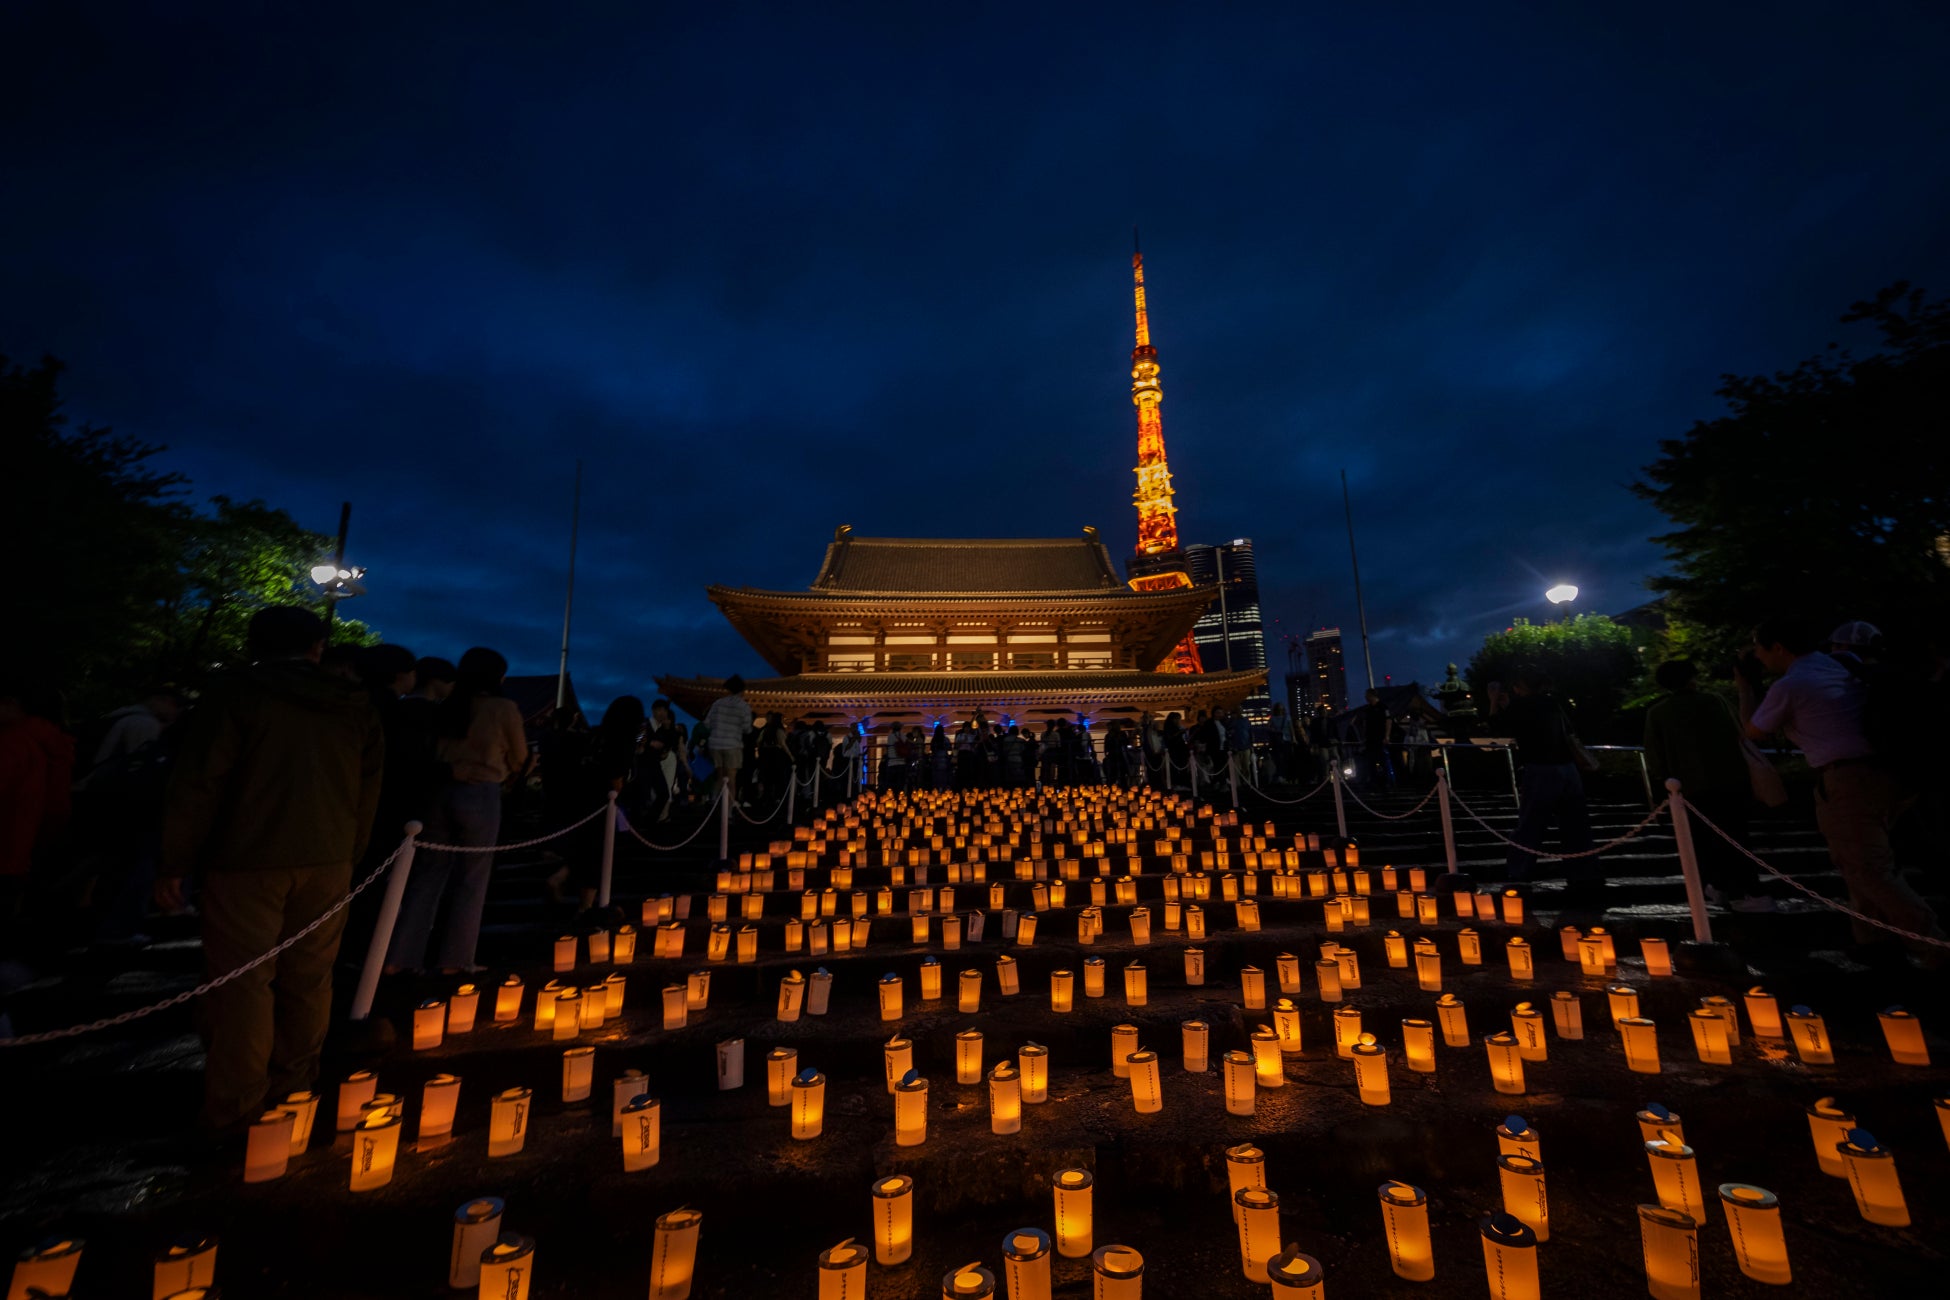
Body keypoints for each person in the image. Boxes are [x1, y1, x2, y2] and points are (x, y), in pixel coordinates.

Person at [158, 606, 383, 1133]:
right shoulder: (353, 704)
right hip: (328, 855)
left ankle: (236, 1106)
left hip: (245, 854)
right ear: (317, 647)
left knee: (241, 982)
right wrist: (351, 851)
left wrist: (175, 860)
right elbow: (368, 788)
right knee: (309, 977)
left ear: (253, 645)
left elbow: (199, 781)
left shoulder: (236, 695)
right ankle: (295, 1086)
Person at [1740, 616, 1945, 961]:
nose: (1758, 656)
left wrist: (1745, 684)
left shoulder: (1792, 684)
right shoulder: (1837, 666)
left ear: (1778, 647)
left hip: (1848, 779)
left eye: (1759, 649)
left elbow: (1753, 732)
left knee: (1867, 868)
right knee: (1860, 862)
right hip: (1890, 773)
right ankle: (1873, 939)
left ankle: (1935, 945)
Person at [387, 646, 527, 975]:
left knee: (427, 875)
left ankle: (400, 957)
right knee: (472, 879)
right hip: (481, 792)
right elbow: (520, 757)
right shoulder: (502, 708)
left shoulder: (446, 707)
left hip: (439, 791)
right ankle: (455, 959)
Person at [1643, 659, 1772, 911]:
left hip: (1688, 788)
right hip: (1729, 781)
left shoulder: (1658, 713)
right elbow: (1739, 733)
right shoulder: (1714, 701)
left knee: (1701, 842)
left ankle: (1718, 887)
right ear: (1692, 677)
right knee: (1736, 836)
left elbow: (1654, 756)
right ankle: (1748, 890)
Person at [1496, 669, 1595, 886]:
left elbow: (1497, 726)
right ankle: (1582, 873)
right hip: (1568, 768)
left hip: (1540, 768)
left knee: (1531, 823)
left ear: (1522, 685)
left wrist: (1495, 703)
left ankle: (1519, 871)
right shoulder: (1554, 703)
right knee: (1575, 825)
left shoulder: (1521, 705)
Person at [702, 676, 754, 806]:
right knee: (731, 779)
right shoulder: (744, 706)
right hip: (733, 744)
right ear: (742, 690)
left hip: (715, 744)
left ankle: (714, 803)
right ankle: (729, 811)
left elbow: (707, 723)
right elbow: (747, 729)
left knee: (719, 776)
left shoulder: (717, 703)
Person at [644, 699, 688, 819]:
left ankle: (653, 820)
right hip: (644, 763)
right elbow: (637, 738)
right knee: (645, 794)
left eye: (664, 710)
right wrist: (650, 742)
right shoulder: (646, 724)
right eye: (659, 710)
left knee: (663, 793)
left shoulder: (660, 729)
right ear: (653, 711)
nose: (662, 713)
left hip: (656, 763)